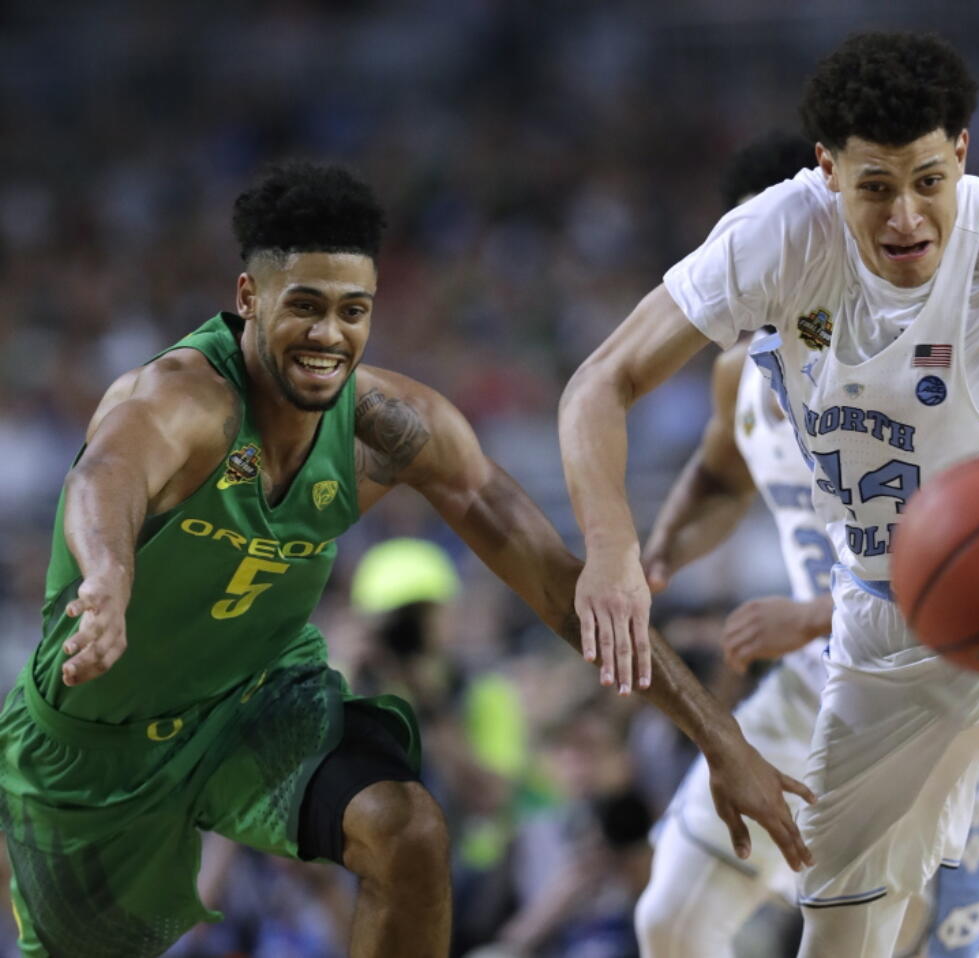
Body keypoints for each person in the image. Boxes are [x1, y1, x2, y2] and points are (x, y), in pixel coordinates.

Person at [0, 161, 813, 958]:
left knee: (407, 827)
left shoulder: (391, 426)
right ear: (248, 299)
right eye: (305, 306)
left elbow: (564, 591)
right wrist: (107, 574)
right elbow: (105, 475)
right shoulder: (183, 396)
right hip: (93, 743)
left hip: (252, 708)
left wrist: (721, 743)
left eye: (353, 310)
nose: (330, 334)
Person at [558, 31, 979, 957]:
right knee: (832, 943)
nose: (905, 216)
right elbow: (600, 380)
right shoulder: (775, 237)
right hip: (882, 623)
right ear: (828, 170)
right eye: (875, 186)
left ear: (961, 153)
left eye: (926, 179)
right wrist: (617, 549)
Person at [633, 133, 979, 958]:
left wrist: (813, 617)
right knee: (670, 922)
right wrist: (658, 551)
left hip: (927, 696)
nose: (757, 268)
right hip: (808, 692)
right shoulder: (738, 368)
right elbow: (719, 474)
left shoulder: (911, 353)